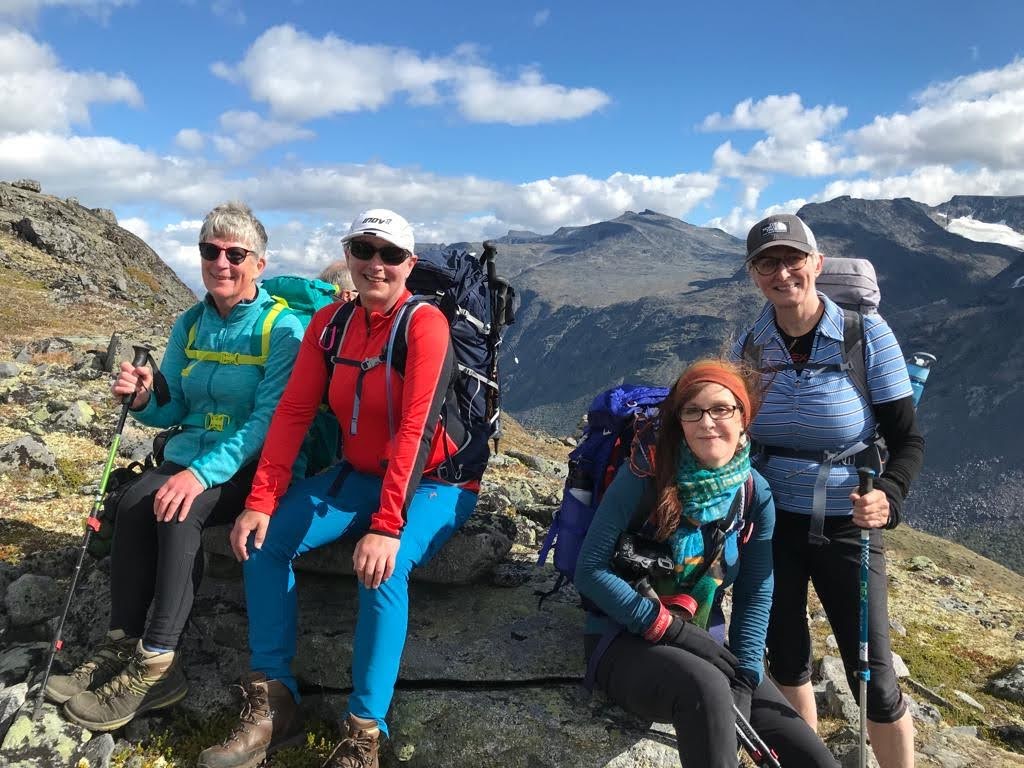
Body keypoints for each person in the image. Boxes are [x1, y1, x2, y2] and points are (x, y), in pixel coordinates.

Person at [198, 209, 480, 768]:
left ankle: (363, 735)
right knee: (261, 540)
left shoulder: (425, 325)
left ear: (410, 265)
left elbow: (417, 430)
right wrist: (260, 501)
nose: (376, 264)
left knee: (383, 567)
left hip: (435, 484)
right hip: (357, 475)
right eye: (363, 250)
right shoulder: (329, 323)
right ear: (349, 256)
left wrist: (385, 525)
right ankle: (274, 704)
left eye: (390, 255)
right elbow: (295, 412)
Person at [48, 202, 305, 732]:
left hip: (252, 468)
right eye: (211, 252)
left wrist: (201, 475)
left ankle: (159, 662)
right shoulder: (190, 322)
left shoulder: (284, 330)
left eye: (236, 254)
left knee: (176, 509)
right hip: (192, 456)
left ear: (259, 263)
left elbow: (267, 422)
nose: (222, 263)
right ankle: (121, 646)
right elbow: (175, 407)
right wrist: (144, 399)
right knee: (136, 500)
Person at [575, 360, 838, 768]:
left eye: (721, 409)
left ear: (743, 419)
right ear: (679, 421)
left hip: (704, 640)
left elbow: (756, 587)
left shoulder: (754, 492)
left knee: (814, 758)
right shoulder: (644, 477)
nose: (707, 422)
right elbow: (590, 570)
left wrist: (748, 672)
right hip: (622, 638)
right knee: (708, 688)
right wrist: (666, 627)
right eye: (692, 411)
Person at [732, 214, 924, 768]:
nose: (783, 272)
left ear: (816, 263)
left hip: (848, 525)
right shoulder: (754, 343)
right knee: (787, 658)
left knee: (876, 676)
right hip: (769, 525)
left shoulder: (865, 337)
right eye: (768, 262)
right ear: (753, 274)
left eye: (794, 259)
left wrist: (889, 492)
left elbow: (907, 439)